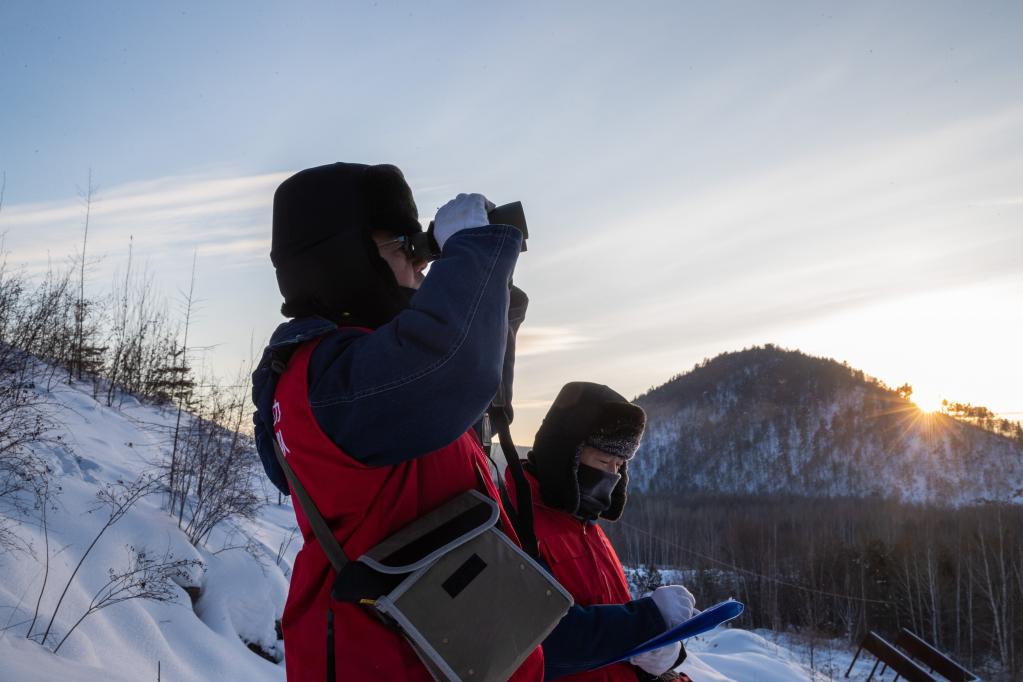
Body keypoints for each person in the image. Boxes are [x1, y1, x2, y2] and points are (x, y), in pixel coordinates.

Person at [251, 162, 542, 680]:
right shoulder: (327, 380)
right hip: (392, 660)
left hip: (438, 652)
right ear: (344, 258)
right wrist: (473, 252)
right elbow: (455, 372)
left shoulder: (368, 376)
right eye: (405, 248)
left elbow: (471, 403)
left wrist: (490, 290)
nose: (421, 267)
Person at [506, 382, 697, 681]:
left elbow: (607, 635)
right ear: (566, 453)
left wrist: (656, 657)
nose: (612, 475)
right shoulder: (515, 520)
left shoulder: (587, 528)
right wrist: (646, 622)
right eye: (604, 461)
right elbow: (544, 644)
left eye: (619, 465)